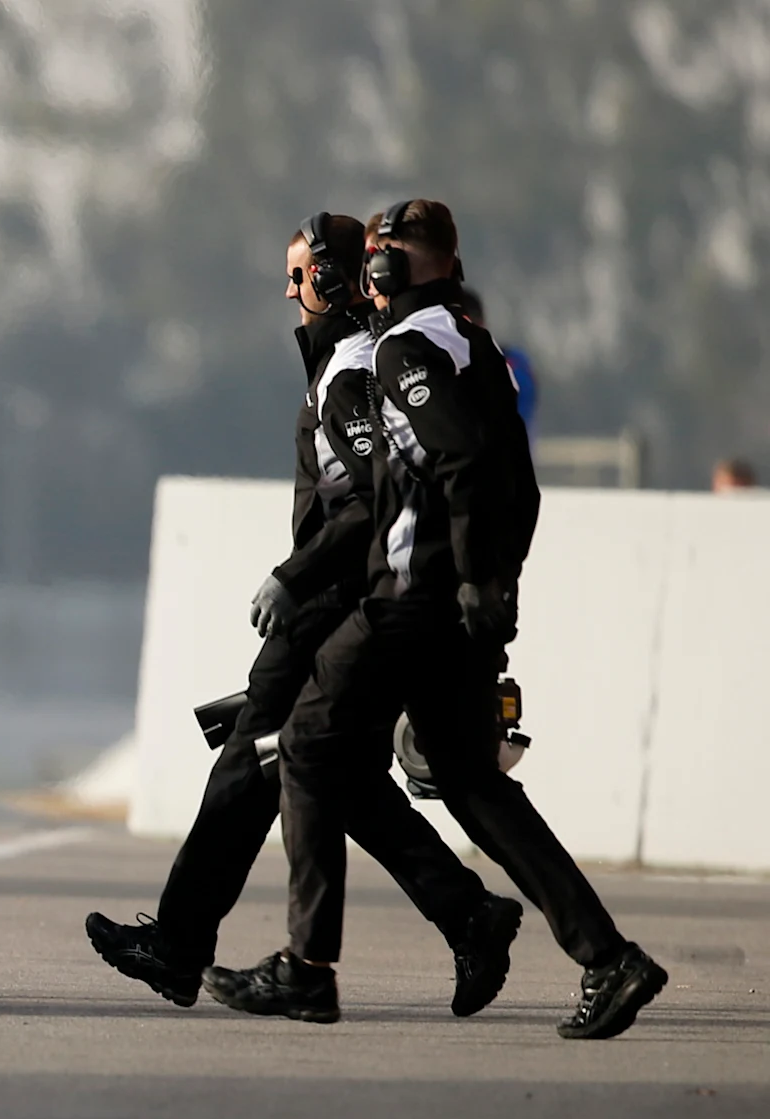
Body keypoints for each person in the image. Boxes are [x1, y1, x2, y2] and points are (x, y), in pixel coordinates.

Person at [217, 199, 667, 1037]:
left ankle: (307, 969)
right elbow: (516, 486)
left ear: (385, 271)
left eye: (376, 263)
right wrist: (495, 587)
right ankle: (610, 959)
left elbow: (457, 460)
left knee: (307, 750)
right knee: (471, 784)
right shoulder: (476, 345)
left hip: (411, 599)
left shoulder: (404, 351)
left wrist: (462, 586)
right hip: (455, 603)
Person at [88, 216, 508, 1010]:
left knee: (246, 766)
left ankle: (185, 949)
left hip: (329, 609)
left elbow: (367, 503)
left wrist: (294, 574)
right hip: (342, 605)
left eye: (300, 275)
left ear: (337, 279)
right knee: (337, 777)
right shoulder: (342, 364)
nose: (289, 290)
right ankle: (468, 913)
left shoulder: (350, 369)